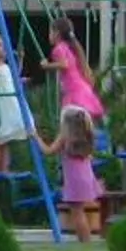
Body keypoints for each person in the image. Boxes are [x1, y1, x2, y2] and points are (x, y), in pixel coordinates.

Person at [41, 103, 103, 240]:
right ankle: (85, 240)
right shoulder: (84, 139)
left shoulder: (65, 138)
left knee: (77, 212)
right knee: (79, 211)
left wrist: (35, 137)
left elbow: (48, 151)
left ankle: (85, 241)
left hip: (74, 180)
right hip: (86, 176)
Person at [0, 39, 34, 176]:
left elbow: (14, 77)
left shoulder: (6, 66)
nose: (3, 47)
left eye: (3, 44)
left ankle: (5, 170)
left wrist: (20, 59)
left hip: (8, 106)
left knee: (5, 139)